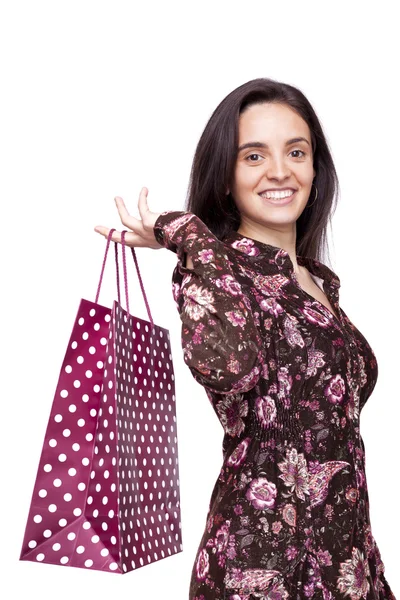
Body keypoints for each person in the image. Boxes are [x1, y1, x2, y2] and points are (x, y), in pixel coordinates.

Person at [94, 78, 396, 600]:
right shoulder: (214, 271)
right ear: (226, 177)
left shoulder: (318, 282)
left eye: (295, 152)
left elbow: (341, 444)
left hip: (344, 565)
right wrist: (186, 233)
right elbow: (230, 369)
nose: (279, 171)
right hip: (258, 564)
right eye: (253, 156)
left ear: (315, 169)